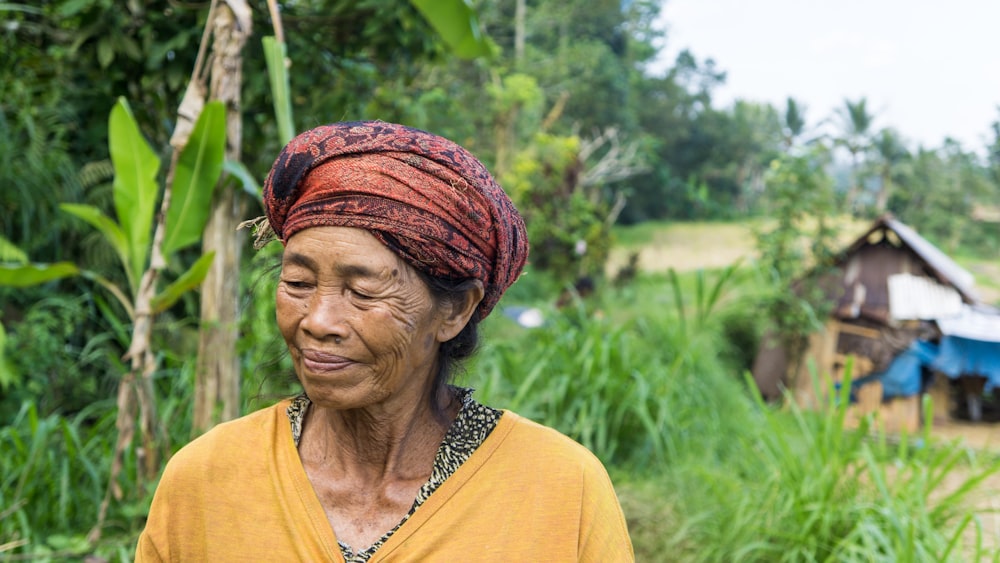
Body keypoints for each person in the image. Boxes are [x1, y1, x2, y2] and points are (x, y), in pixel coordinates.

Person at [135, 121, 634, 562]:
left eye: (362, 290)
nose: (318, 320)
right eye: (298, 284)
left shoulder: (561, 491)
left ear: (454, 310)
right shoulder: (205, 480)